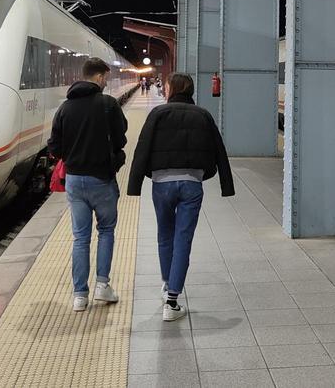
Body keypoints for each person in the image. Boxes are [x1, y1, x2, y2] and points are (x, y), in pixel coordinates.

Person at [127, 73, 234, 321]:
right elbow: (219, 150)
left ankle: (167, 284)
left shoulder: (158, 114)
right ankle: (172, 300)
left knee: (164, 235)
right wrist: (225, 185)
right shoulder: (203, 115)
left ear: (172, 89)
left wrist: (134, 184)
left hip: (162, 184)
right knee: (183, 239)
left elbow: (142, 147)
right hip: (191, 184)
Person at [48, 57, 128, 312]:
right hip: (101, 180)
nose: (106, 81)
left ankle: (79, 296)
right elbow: (121, 137)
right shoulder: (107, 104)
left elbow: (55, 147)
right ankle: (102, 287)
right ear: (99, 77)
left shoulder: (65, 108)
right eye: (105, 77)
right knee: (105, 231)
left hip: (74, 180)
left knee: (80, 238)